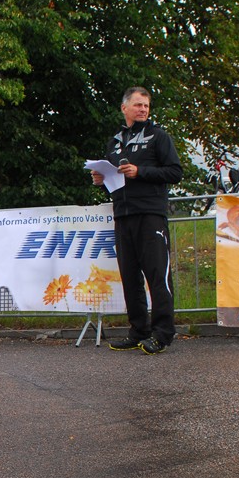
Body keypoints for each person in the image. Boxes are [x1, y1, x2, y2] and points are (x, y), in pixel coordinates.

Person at [90, 87, 182, 354]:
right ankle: (138, 331)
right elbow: (113, 179)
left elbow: (175, 172)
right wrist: (101, 179)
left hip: (151, 214)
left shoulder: (158, 136)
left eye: (146, 106)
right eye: (138, 105)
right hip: (123, 215)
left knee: (157, 276)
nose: (143, 109)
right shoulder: (115, 142)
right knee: (130, 277)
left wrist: (140, 171)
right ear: (124, 108)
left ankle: (162, 333)